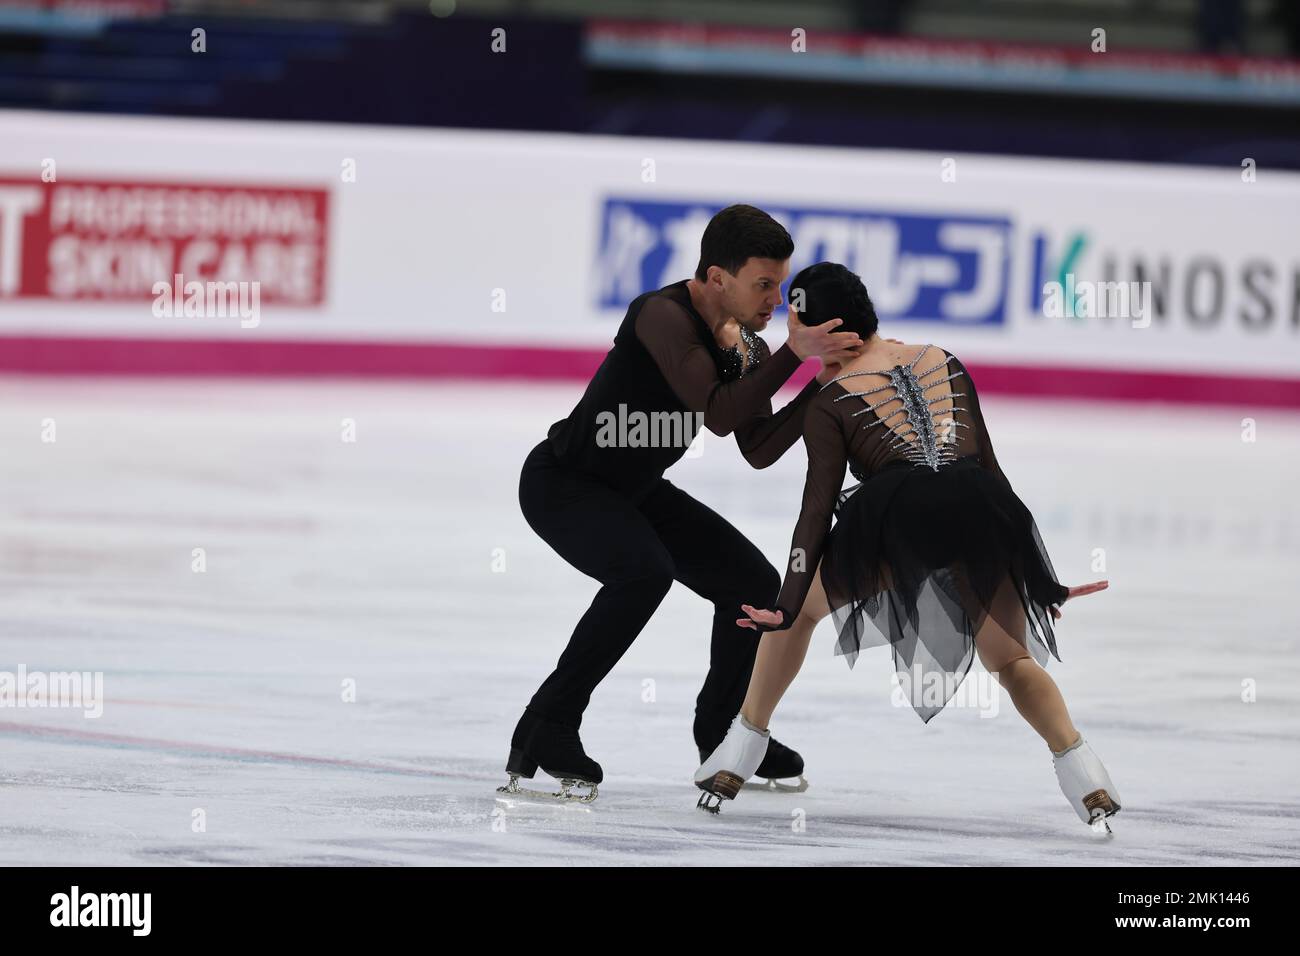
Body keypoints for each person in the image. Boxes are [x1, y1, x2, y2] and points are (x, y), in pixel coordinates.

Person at [693, 262, 1120, 832]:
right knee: (1012, 659)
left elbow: (816, 511)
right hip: (980, 510)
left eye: (796, 325)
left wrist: (788, 600)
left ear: (821, 330)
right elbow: (990, 472)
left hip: (897, 519)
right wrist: (1039, 577)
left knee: (793, 623)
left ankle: (736, 757)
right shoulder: (942, 358)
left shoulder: (831, 398)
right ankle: (1083, 772)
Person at [504, 207, 865, 801]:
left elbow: (759, 447)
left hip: (636, 490)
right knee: (643, 572)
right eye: (764, 284)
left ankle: (721, 733)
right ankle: (548, 721)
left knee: (751, 582)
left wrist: (822, 381)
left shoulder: (747, 345)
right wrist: (793, 357)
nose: (778, 299)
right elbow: (721, 414)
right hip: (565, 483)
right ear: (718, 277)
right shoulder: (659, 315)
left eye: (781, 283)